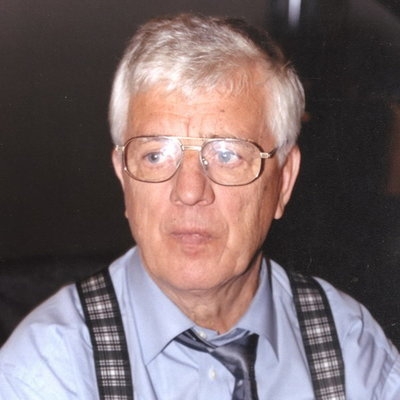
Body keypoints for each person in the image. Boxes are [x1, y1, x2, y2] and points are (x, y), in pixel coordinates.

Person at [0, 13, 399, 400]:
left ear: (284, 180)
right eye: (156, 155)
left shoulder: (352, 349)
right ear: (124, 178)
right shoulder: (49, 367)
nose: (189, 192)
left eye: (227, 155)